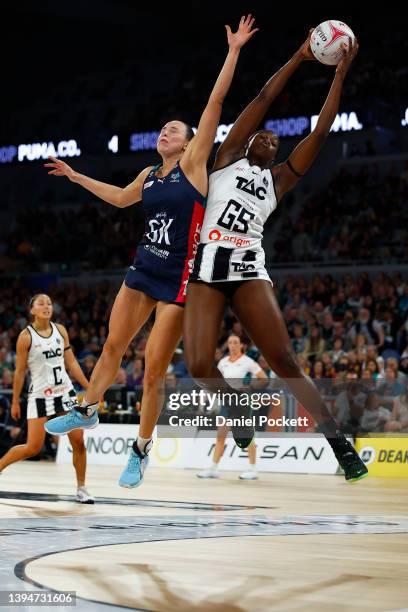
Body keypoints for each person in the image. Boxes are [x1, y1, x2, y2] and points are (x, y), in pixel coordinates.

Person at [43, 16, 258, 488]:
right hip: (143, 269)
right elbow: (120, 198)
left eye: (173, 130)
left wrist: (234, 51)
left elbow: (216, 101)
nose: (166, 132)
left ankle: (140, 450)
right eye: (163, 129)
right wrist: (78, 177)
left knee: (154, 368)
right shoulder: (148, 175)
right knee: (113, 346)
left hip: (180, 279)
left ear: (188, 142)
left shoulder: (196, 164)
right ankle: (88, 409)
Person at [184, 32, 368, 481]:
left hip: (248, 267)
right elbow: (265, 97)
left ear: (276, 154)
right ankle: (240, 415)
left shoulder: (280, 180)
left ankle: (339, 446)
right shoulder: (226, 156)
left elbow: (321, 130)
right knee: (197, 364)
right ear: (247, 143)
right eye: (261, 135)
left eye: (273, 139)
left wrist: (339, 74)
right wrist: (300, 57)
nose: (267, 136)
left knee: (285, 361)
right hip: (208, 264)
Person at [0, 294, 94, 503]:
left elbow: (72, 363)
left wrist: (90, 387)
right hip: (41, 395)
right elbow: (19, 372)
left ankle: (82, 488)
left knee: (78, 441)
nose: (46, 306)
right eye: (41, 303)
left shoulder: (60, 330)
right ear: (32, 310)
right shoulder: (26, 337)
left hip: (65, 392)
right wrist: (15, 401)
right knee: (33, 447)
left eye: (49, 303)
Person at [197, 334, 267, 480]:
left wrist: (249, 386)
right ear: (228, 345)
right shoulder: (222, 362)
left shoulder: (248, 361)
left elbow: (264, 379)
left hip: (242, 401)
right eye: (230, 343)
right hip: (227, 401)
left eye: (235, 342)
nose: (233, 345)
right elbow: (216, 381)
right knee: (221, 434)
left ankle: (253, 469)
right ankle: (213, 468)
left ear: (241, 345)